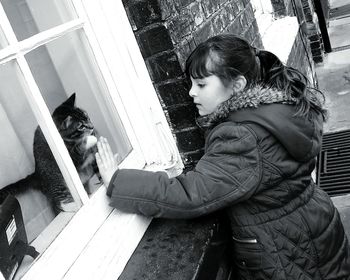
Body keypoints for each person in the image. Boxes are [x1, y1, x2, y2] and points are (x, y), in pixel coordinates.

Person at [96, 34, 350, 279]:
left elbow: (190, 195)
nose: (191, 93)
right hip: (314, 225)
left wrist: (119, 182)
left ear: (237, 86)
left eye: (202, 84)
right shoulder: (276, 111)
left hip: (286, 250)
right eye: (191, 84)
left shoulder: (241, 136)